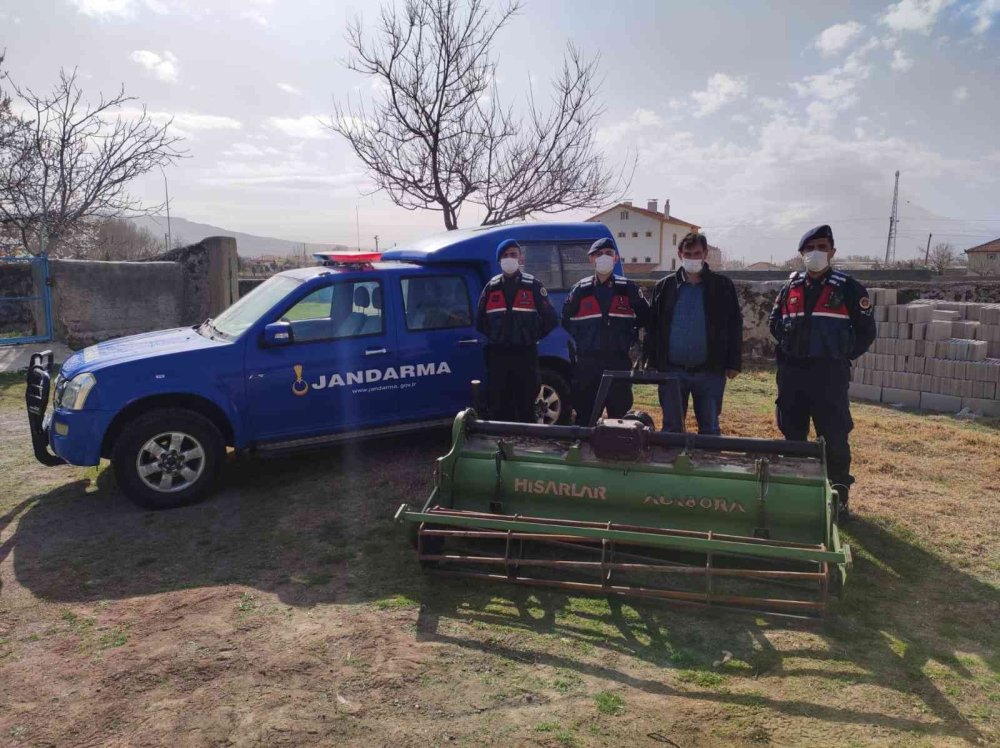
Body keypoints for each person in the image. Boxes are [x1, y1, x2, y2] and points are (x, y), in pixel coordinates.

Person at [768, 224, 876, 522]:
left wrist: (841, 355)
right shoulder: (790, 287)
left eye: (822, 247)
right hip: (793, 375)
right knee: (793, 436)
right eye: (810, 248)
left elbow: (866, 332)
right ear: (801, 253)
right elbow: (774, 323)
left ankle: (838, 499)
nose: (816, 253)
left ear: (832, 252)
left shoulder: (848, 288)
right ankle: (797, 496)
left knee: (835, 438)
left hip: (828, 375)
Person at [645, 232, 742, 435]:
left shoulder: (722, 286)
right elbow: (653, 327)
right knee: (671, 430)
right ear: (680, 254)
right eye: (688, 254)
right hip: (671, 371)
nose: (692, 258)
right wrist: (651, 361)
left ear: (705, 254)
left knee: (709, 430)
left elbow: (734, 325)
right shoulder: (665, 287)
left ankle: (708, 456)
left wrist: (734, 362)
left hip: (710, 371)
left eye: (697, 253)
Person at [562, 237, 650, 425]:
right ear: (591, 259)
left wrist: (629, 334)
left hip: (618, 361)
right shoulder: (580, 290)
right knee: (585, 415)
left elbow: (646, 316)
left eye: (608, 253)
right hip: (587, 362)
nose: (604, 257)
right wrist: (585, 339)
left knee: (619, 417)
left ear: (616, 258)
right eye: (599, 254)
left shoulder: (627, 289)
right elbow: (566, 320)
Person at [475, 239, 558, 422]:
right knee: (499, 407)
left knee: (526, 407)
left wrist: (532, 335)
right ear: (499, 260)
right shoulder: (491, 288)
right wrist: (497, 336)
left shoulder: (533, 285)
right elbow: (480, 322)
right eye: (505, 255)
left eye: (513, 254)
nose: (509, 258)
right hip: (499, 356)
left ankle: (525, 439)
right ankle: (503, 440)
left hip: (525, 356)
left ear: (521, 257)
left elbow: (551, 319)